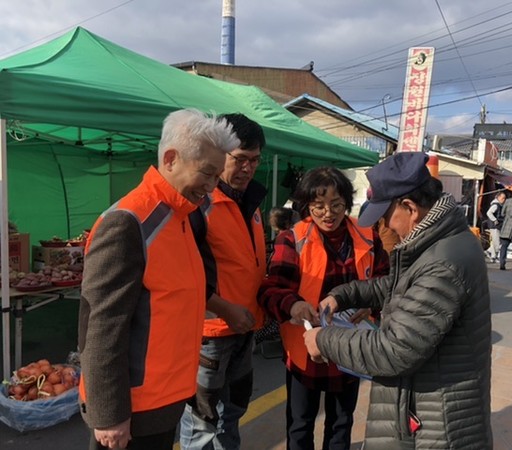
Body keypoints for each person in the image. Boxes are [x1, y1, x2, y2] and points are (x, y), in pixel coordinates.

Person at [303, 152, 493, 449]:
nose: (386, 227)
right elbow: (399, 286)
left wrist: (324, 340)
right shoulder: (441, 242)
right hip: (425, 406)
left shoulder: (442, 262)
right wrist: (344, 295)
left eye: (385, 216)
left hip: (433, 426)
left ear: (410, 208)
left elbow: (394, 349)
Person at [78, 109, 240, 450]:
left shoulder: (179, 218)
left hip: (164, 402)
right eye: (208, 173)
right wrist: (109, 415)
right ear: (170, 159)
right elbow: (102, 327)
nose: (212, 186)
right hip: (133, 413)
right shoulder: (129, 223)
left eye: (217, 177)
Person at [259, 166, 389, 450]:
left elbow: (385, 282)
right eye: (319, 206)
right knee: (300, 424)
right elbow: (271, 289)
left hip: (351, 348)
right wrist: (292, 305)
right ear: (307, 205)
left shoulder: (367, 235)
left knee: (342, 422)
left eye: (336, 205)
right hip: (306, 350)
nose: (328, 213)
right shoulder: (292, 239)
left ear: (347, 203)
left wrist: (371, 307)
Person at [179, 113, 268, 450]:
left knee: (232, 410)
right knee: (203, 419)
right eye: (240, 159)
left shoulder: (251, 203)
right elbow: (186, 273)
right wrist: (222, 308)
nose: (247, 168)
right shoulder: (200, 204)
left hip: (243, 327)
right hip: (211, 333)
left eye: (255, 160)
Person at [485, 191, 506, 262]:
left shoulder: (498, 205)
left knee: (496, 241)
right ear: (498, 197)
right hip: (494, 226)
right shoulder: (496, 205)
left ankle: (490, 253)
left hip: (496, 226)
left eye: (504, 198)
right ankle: (493, 256)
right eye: (503, 198)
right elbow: (488, 213)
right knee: (497, 242)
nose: (504, 200)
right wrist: (495, 220)